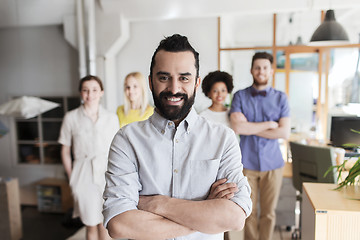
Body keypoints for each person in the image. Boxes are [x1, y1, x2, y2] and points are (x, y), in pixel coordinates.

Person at [102, 34, 252, 240]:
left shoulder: (223, 139)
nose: (174, 88)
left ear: (197, 82)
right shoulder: (126, 140)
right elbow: (119, 225)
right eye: (164, 77)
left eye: (184, 78)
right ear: (151, 82)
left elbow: (234, 218)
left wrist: (157, 204)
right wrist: (205, 214)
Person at [229, 52, 291, 240]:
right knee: (248, 211)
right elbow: (237, 126)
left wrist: (250, 128)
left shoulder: (281, 98)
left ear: (271, 71)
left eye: (265, 67)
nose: (261, 71)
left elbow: (284, 133)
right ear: (251, 70)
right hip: (246, 163)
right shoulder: (240, 96)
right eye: (257, 67)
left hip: (273, 164)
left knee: (268, 213)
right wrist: (269, 124)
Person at [58, 75, 119, 240]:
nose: (90, 94)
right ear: (80, 93)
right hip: (82, 174)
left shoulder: (112, 118)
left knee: (106, 223)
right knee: (91, 223)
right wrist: (72, 177)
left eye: (94, 90)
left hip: (107, 174)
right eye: (85, 90)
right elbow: (65, 150)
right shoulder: (71, 117)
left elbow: (118, 150)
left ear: (101, 92)